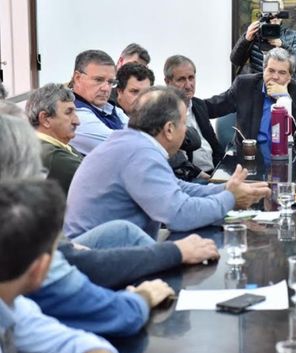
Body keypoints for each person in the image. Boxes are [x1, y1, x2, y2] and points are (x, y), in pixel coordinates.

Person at [2, 104, 221, 291]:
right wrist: (143, 297)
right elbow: (84, 287)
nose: (76, 120)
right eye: (69, 112)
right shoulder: (51, 165)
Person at [0, 113, 177, 338]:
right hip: (109, 297)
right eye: (39, 174)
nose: (76, 120)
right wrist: (144, 295)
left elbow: (42, 336)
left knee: (121, 231)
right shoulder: (24, 227)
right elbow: (113, 314)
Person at [65, 86, 271, 239]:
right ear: (169, 129)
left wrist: (225, 189)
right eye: (184, 123)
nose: (186, 130)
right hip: (97, 261)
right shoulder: (139, 153)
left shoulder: (133, 143)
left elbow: (177, 188)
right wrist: (230, 199)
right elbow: (179, 214)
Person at [0, 179, 153, 353]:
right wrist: (145, 296)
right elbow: (121, 315)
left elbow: (66, 342)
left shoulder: (13, 307)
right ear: (40, 269)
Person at [207, 47, 296, 143]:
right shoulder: (245, 85)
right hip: (249, 153)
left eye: (282, 72)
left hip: (285, 153)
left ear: (290, 76)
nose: (275, 77)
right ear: (264, 70)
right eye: (271, 70)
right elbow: (216, 106)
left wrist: (284, 98)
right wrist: (191, 104)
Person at [164, 55, 224, 174]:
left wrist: (221, 171)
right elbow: (173, 157)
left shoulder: (199, 105)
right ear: (167, 82)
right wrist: (200, 175)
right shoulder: (164, 111)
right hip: (189, 178)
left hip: (213, 173)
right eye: (181, 79)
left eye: (191, 78)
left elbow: (214, 145)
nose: (188, 85)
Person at [69, 49, 129, 154]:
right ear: (78, 78)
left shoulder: (112, 109)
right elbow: (121, 148)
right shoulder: (73, 113)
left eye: (110, 82)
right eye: (98, 80)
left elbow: (145, 138)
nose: (106, 88)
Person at [26, 83, 82, 194]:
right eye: (68, 112)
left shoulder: (55, 147)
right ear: (45, 119)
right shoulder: (54, 157)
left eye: (75, 112)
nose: (77, 121)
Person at [230, 0, 296, 74]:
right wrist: (246, 39)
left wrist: (283, 45)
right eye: (269, 9)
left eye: (278, 9)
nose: (273, 14)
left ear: (282, 13)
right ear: (262, 12)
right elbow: (236, 61)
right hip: (258, 84)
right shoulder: (255, 34)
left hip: (283, 85)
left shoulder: (294, 36)